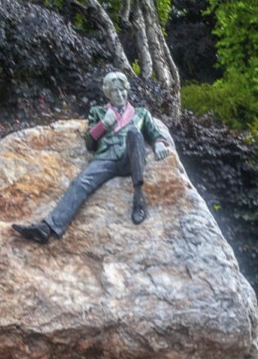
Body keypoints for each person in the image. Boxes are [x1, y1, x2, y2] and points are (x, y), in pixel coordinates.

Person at [12, 71, 171, 244]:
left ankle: (139, 198)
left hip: (129, 158)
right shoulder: (97, 112)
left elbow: (154, 133)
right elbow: (89, 143)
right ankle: (47, 228)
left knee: (134, 132)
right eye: (115, 91)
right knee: (80, 183)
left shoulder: (141, 113)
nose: (119, 94)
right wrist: (103, 124)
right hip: (105, 158)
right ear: (108, 93)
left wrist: (158, 142)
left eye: (122, 90)